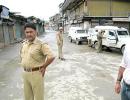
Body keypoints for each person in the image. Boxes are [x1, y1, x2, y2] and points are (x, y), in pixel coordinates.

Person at [20, 23, 55, 100]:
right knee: (28, 97)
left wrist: (44, 66)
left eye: (31, 32)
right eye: (27, 32)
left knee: (38, 97)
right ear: (25, 33)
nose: (29, 34)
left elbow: (51, 56)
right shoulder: (24, 43)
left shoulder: (41, 44)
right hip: (25, 73)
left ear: (36, 32)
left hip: (36, 74)